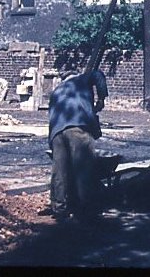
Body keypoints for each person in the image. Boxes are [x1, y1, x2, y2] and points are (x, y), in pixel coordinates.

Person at [47, 69, 108, 221]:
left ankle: (59, 207)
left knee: (60, 171)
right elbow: (98, 75)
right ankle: (87, 208)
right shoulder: (81, 79)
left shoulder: (56, 92)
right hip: (78, 127)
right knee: (83, 168)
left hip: (56, 133)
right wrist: (101, 99)